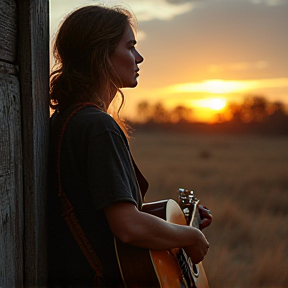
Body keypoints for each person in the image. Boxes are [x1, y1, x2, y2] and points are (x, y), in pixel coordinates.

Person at [47, 4, 212, 287]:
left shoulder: (69, 120)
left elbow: (99, 218)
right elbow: (128, 226)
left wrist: (179, 225)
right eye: (130, 46)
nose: (139, 57)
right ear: (101, 54)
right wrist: (191, 236)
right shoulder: (99, 127)